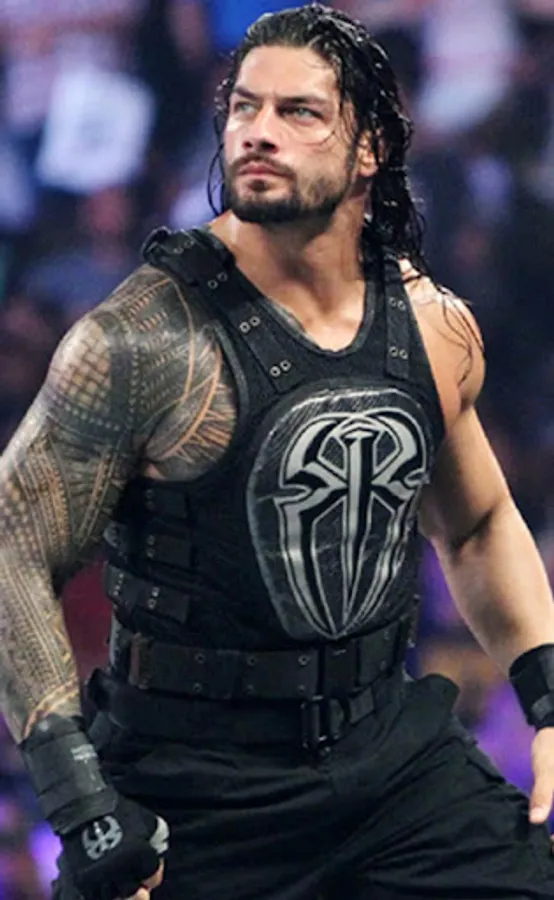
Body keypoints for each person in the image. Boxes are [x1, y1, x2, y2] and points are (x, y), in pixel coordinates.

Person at [1, 5, 554, 899]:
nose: (258, 131)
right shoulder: (142, 338)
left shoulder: (431, 324)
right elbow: (10, 546)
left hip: (389, 760)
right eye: (244, 107)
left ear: (370, 148)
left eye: (299, 111)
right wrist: (78, 799)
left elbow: (478, 524)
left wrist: (547, 695)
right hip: (188, 782)